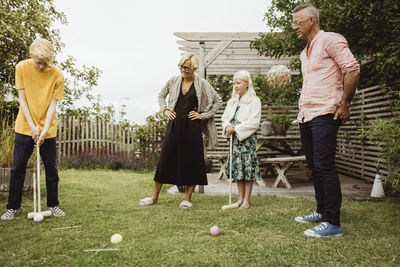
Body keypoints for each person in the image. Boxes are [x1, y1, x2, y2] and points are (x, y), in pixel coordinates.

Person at [292, 4, 360, 237]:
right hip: (306, 115)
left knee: (324, 165)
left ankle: (333, 222)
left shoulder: (330, 40)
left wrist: (345, 102)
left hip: (325, 113)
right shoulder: (304, 52)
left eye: (298, 22)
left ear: (312, 21)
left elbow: (352, 69)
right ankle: (322, 212)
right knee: (314, 166)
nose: (295, 27)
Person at [139, 54, 222, 209]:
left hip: (192, 127)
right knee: (165, 158)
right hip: (174, 125)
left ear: (194, 68)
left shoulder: (202, 84)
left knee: (192, 161)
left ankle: (188, 198)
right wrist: (165, 110)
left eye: (186, 67)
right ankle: (154, 196)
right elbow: (161, 95)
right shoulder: (173, 81)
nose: (183, 70)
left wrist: (202, 115)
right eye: (181, 66)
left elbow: (218, 100)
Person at [1, 38, 65, 220]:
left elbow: (53, 106)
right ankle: (12, 207)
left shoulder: (57, 76)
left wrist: (44, 130)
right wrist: (32, 126)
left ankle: (53, 205)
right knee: (18, 167)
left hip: (48, 128)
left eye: (46, 63)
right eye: (39, 63)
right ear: (31, 57)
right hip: (25, 126)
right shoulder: (21, 68)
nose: (43, 67)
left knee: (52, 168)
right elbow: (23, 100)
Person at [221, 70, 262, 210]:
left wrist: (236, 129)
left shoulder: (254, 101)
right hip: (234, 141)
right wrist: (227, 126)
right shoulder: (232, 102)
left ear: (247, 84)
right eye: (234, 83)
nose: (236, 86)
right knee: (238, 168)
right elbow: (225, 118)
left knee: (247, 168)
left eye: (239, 83)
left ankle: (247, 200)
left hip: (246, 140)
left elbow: (254, 122)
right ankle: (239, 199)